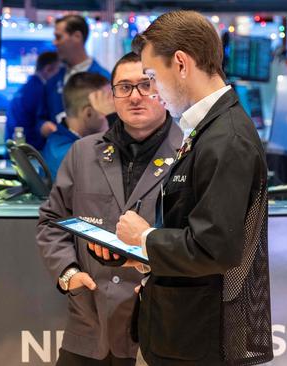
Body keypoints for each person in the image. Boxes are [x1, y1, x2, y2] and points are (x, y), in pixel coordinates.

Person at [93, 10, 273, 366]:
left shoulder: (227, 138)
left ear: (180, 64)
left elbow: (213, 247)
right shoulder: (208, 128)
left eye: (152, 77)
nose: (152, 91)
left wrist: (145, 238)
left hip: (201, 341)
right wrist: (150, 259)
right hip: (181, 331)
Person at [36, 52, 182, 366]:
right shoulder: (82, 152)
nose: (135, 96)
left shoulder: (189, 153)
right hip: (89, 326)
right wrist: (68, 274)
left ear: (164, 91)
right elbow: (51, 220)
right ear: (111, 96)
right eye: (124, 87)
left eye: (146, 85)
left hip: (157, 329)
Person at [38, 14, 112, 139]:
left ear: (77, 37)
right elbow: (40, 118)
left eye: (58, 37)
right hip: (57, 152)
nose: (54, 43)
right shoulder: (52, 81)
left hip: (92, 154)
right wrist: (43, 126)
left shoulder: (105, 81)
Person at [42, 72, 112, 180]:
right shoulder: (71, 154)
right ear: (88, 113)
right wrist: (112, 121)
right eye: (109, 108)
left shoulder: (59, 140)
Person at [5, 51, 60, 150]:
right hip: (30, 152)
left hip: (15, 149)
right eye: (59, 71)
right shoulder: (40, 90)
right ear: (48, 69)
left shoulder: (27, 87)